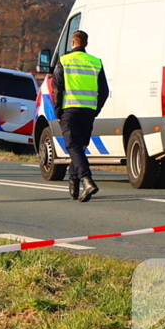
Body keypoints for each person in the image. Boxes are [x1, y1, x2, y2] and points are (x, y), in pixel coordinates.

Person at [52, 29, 109, 202]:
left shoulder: (64, 60)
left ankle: (87, 180)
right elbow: (104, 91)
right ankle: (74, 184)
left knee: (73, 147)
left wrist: (57, 111)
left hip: (70, 110)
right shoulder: (95, 62)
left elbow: (57, 89)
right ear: (86, 43)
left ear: (72, 43)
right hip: (88, 111)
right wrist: (95, 109)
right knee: (80, 147)